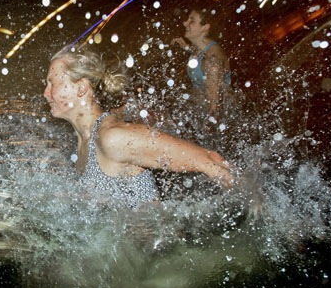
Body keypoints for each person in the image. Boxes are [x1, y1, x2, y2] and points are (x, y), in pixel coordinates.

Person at [43, 47, 234, 208]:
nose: (45, 93)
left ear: (81, 88)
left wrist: (252, 210)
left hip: (158, 250)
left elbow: (210, 160)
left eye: (52, 83)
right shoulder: (84, 138)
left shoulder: (113, 137)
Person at [171, 8, 231, 120]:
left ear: (205, 27)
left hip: (215, 117)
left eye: (191, 21)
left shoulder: (212, 60)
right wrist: (187, 47)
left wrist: (209, 123)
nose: (185, 23)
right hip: (199, 112)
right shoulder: (200, 50)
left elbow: (216, 108)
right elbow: (202, 58)